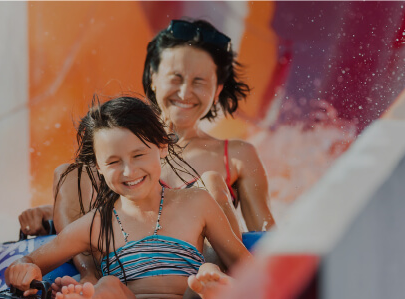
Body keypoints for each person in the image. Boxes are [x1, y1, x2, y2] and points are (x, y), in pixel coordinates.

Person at [4, 96, 251, 299]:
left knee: (208, 272)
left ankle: (218, 294)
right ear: (98, 167)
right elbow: (34, 260)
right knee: (109, 286)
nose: (128, 171)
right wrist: (24, 268)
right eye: (113, 162)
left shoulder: (197, 203)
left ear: (162, 146)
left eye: (138, 155)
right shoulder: (97, 223)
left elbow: (243, 263)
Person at [19, 19, 275, 239]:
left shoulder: (237, 157)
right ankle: (91, 280)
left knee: (210, 187)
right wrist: (49, 215)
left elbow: (265, 236)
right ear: (153, 78)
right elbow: (95, 202)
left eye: (199, 81)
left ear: (217, 89)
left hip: (199, 271)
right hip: (124, 270)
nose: (185, 92)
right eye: (175, 78)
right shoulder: (119, 141)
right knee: (70, 172)